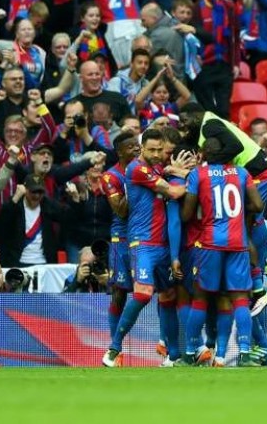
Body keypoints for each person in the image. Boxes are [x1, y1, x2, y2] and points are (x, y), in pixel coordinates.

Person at [177, 137, 264, 367]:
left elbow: (186, 215)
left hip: (211, 243)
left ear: (205, 154)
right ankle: (244, 351)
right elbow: (258, 205)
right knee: (239, 299)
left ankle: (189, 351)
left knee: (201, 298)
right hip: (238, 242)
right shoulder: (242, 173)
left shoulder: (199, 174)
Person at [103, 129, 186, 367]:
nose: (157, 154)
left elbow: (168, 174)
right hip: (143, 243)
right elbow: (173, 191)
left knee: (168, 296)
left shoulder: (159, 168)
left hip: (163, 245)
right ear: (142, 149)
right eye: (152, 150)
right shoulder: (136, 169)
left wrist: (177, 169)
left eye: (160, 149)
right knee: (142, 294)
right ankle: (114, 348)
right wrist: (201, 179)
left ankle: (174, 356)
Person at [100, 132, 141, 343]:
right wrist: (134, 182)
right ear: (119, 152)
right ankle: (115, 345)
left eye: (137, 145)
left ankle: (168, 346)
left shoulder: (146, 168)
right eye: (131, 147)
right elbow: (121, 211)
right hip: (122, 238)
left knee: (162, 292)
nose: (136, 149)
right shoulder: (111, 176)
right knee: (120, 292)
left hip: (146, 235)